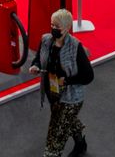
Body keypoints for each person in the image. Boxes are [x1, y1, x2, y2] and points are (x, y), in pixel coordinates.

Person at [29, 9, 90, 157]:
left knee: (55, 135)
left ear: (67, 28)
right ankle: (80, 142)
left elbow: (88, 76)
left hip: (71, 98)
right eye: (52, 25)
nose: (53, 29)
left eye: (57, 27)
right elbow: (38, 58)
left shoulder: (75, 47)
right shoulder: (45, 40)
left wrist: (68, 80)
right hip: (53, 93)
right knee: (65, 121)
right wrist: (35, 66)